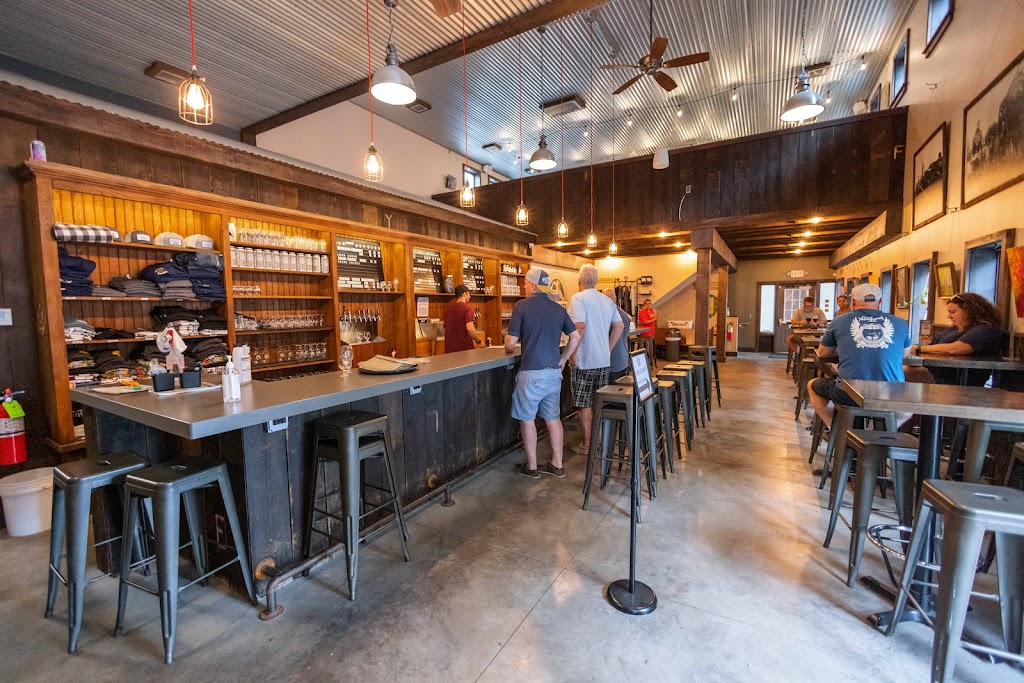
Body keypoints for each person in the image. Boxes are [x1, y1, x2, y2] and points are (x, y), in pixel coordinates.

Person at [504, 268, 581, 479]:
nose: (524, 287)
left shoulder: (521, 306)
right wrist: (563, 359)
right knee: (553, 418)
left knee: (527, 419)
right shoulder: (558, 308)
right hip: (553, 374)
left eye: (525, 283)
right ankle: (557, 465)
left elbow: (511, 342)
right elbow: (575, 336)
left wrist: (508, 347)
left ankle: (532, 467)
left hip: (531, 373)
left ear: (533, 285)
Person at [807, 283, 911, 428]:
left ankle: (838, 430)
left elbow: (823, 353)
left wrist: (845, 349)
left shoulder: (839, 321)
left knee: (812, 385)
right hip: (892, 394)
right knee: (907, 408)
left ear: (853, 302)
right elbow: (904, 354)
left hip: (848, 393)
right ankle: (883, 433)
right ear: (880, 301)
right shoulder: (900, 322)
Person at [567, 265, 625, 454]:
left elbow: (580, 327)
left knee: (584, 403)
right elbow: (619, 326)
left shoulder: (578, 298)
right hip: (603, 361)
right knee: (597, 401)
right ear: (596, 281)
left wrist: (573, 353)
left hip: (585, 360)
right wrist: (607, 348)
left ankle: (588, 444)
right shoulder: (606, 300)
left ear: (579, 281)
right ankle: (598, 440)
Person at [905, 292, 1006, 386]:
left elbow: (955, 349)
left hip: (955, 379)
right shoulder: (958, 328)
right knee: (899, 369)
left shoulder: (986, 330)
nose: (949, 316)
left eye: (953, 312)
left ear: (969, 311)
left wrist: (919, 349)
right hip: (934, 370)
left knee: (901, 372)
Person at [442, 284, 481, 353]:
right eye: (469, 294)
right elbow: (470, 328)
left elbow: (445, 329)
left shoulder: (448, 310)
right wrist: (479, 341)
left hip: (449, 351)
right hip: (464, 350)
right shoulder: (467, 308)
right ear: (464, 294)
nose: (470, 296)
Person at [603, 288, 631, 381]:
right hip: (623, 358)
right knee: (620, 387)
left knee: (610, 388)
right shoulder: (624, 314)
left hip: (612, 359)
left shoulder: (607, 314)